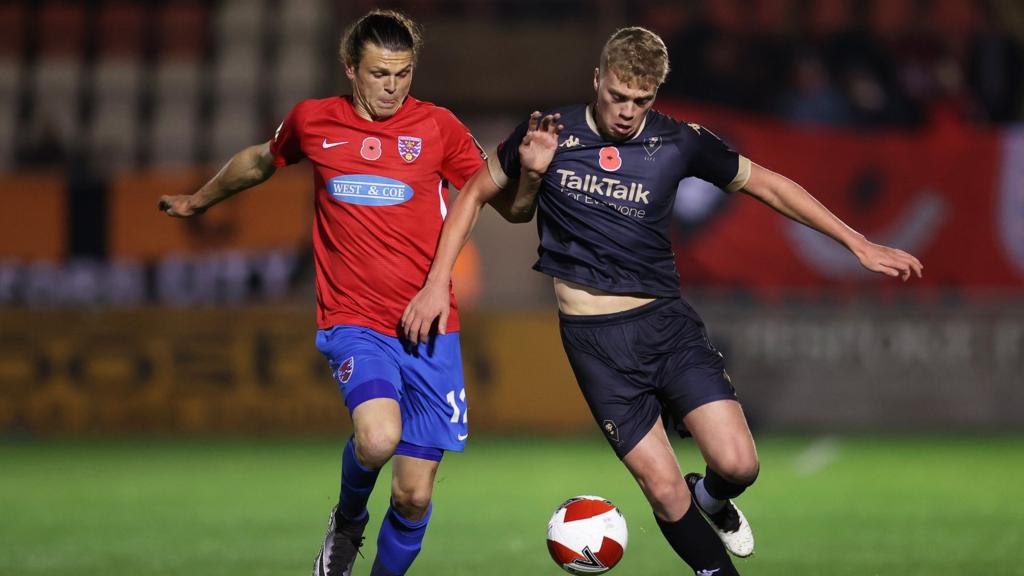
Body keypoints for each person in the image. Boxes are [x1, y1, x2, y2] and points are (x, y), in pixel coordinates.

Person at [402, 27, 923, 575]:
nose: (627, 111)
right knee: (665, 492)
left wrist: (857, 241)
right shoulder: (549, 133)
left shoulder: (679, 141)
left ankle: (716, 498)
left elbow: (768, 184)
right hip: (595, 344)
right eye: (618, 96)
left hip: (665, 325)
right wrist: (439, 281)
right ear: (597, 80)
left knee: (739, 464)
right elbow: (476, 196)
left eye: (641, 101)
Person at [159, 10, 521, 576]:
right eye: (379, 73)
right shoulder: (313, 121)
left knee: (413, 497)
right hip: (355, 320)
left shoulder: (439, 128)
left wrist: (535, 173)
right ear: (351, 68)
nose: (392, 87)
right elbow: (258, 161)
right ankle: (348, 521)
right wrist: (198, 201)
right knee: (377, 440)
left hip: (431, 327)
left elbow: (505, 204)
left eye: (403, 74)